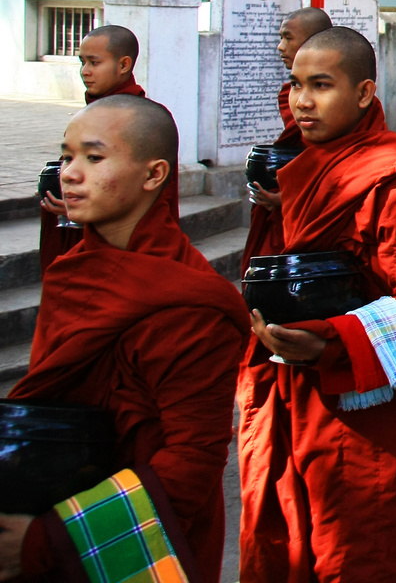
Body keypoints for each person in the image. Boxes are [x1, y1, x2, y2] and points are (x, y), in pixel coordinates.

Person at [1, 96, 248, 583]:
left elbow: (192, 465)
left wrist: (49, 539)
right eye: (67, 156)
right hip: (50, 498)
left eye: (94, 158)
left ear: (154, 174)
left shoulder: (191, 304)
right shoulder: (71, 275)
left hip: (136, 536)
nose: (70, 173)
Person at [237, 27, 396, 583]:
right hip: (293, 382)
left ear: (363, 93)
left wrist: (330, 341)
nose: (302, 101)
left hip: (367, 401)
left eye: (321, 85)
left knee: (361, 552)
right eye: (296, 85)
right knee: (290, 539)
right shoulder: (306, 164)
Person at [39, 24, 150, 271]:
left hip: (118, 252)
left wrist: (85, 213)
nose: (85, 72)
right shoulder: (92, 114)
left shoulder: (141, 122)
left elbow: (140, 201)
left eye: (94, 63)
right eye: (82, 62)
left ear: (124, 65)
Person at [243, 7, 333, 273]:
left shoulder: (343, 105)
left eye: (288, 38)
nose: (281, 47)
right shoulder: (289, 94)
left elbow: (338, 166)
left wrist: (288, 199)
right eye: (296, 87)